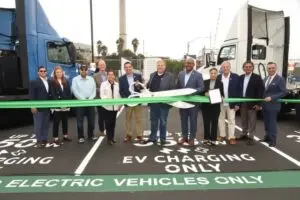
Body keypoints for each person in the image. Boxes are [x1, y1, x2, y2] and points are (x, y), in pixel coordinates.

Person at [143, 59, 176, 146]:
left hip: (164, 104)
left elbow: (172, 89)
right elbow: (149, 85)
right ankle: (152, 138)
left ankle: (162, 139)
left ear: (165, 66)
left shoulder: (170, 76)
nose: (160, 67)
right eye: (158, 65)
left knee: (163, 121)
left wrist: (169, 99)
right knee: (153, 121)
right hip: (153, 103)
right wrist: (142, 86)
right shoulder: (152, 75)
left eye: (162, 65)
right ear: (156, 66)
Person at [177, 58, 204, 146]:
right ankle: (184, 137)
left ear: (193, 65)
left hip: (193, 103)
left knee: (193, 121)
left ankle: (192, 138)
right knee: (183, 120)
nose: (188, 65)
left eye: (190, 63)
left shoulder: (198, 75)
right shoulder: (180, 74)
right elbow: (178, 87)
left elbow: (201, 88)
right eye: (186, 63)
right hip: (182, 102)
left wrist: (192, 91)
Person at [238, 61, 264, 145]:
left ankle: (251, 137)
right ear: (243, 68)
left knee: (252, 120)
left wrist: (258, 104)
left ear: (253, 68)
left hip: (252, 103)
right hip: (242, 101)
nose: (248, 68)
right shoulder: (241, 77)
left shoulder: (257, 78)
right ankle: (244, 134)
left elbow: (260, 91)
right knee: (243, 119)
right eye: (246, 67)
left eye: (249, 67)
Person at [119, 62, 144, 143]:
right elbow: (121, 91)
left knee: (138, 119)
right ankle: (128, 135)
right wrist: (126, 100)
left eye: (129, 67)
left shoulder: (138, 76)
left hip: (137, 100)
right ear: (124, 69)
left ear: (132, 67)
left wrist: (138, 86)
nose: (128, 68)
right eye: (126, 67)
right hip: (128, 101)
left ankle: (139, 135)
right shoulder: (121, 78)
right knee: (128, 119)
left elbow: (141, 88)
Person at [262, 62, 286, 147]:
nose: (271, 70)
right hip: (265, 105)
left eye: (272, 68)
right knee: (266, 122)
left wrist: (272, 97)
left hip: (273, 105)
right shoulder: (265, 79)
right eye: (269, 68)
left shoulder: (280, 79)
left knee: (272, 123)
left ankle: (272, 140)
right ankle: (267, 136)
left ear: (276, 68)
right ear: (267, 69)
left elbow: (283, 92)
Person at [72, 65, 97, 143]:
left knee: (92, 121)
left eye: (85, 70)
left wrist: (90, 99)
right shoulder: (75, 79)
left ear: (87, 71)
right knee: (80, 122)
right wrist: (83, 100)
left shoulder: (91, 79)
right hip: (80, 103)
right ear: (79, 71)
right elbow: (74, 91)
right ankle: (81, 136)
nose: (84, 71)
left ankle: (90, 135)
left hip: (90, 103)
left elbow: (94, 91)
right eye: (82, 70)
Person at [217, 61, 240, 145]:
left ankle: (231, 137)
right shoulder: (218, 77)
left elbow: (239, 91)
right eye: (224, 67)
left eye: (227, 67)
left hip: (232, 102)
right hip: (221, 102)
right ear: (221, 68)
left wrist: (238, 104)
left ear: (230, 67)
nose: (225, 68)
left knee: (231, 120)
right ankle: (222, 135)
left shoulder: (236, 77)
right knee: (221, 119)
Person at [29, 66, 52, 148]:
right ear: (38, 72)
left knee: (46, 124)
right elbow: (31, 95)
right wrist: (33, 106)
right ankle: (38, 141)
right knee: (38, 125)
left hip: (47, 107)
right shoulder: (34, 82)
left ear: (46, 72)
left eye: (44, 71)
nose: (43, 72)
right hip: (38, 108)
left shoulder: (49, 81)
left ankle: (44, 139)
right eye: (41, 71)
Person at [50, 66, 72, 146]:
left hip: (65, 105)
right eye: (57, 72)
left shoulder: (66, 81)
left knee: (65, 121)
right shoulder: (52, 82)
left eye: (60, 72)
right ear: (55, 74)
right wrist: (59, 104)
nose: (59, 73)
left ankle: (65, 136)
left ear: (62, 73)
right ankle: (55, 138)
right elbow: (53, 94)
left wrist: (67, 104)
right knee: (56, 122)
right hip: (57, 106)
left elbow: (69, 93)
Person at [201, 68, 224, 146]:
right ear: (209, 74)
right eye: (211, 73)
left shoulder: (220, 83)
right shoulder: (205, 82)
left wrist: (221, 97)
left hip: (215, 106)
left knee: (214, 123)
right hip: (206, 106)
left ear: (217, 74)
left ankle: (213, 139)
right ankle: (206, 138)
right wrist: (204, 93)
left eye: (215, 73)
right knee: (206, 122)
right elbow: (201, 93)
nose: (213, 75)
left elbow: (222, 94)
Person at [100, 70, 121, 145]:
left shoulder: (117, 84)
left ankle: (112, 137)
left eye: (112, 75)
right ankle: (109, 139)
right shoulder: (103, 84)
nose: (110, 76)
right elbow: (102, 95)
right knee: (108, 124)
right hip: (107, 107)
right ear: (107, 76)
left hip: (115, 107)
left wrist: (118, 105)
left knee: (113, 124)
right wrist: (109, 99)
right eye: (109, 75)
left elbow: (119, 96)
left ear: (114, 76)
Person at [93, 60, 107, 136]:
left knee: (108, 115)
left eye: (103, 64)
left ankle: (107, 129)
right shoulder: (95, 75)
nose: (102, 66)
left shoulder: (108, 74)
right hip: (99, 98)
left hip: (108, 99)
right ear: (98, 66)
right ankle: (102, 130)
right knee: (101, 116)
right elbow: (94, 88)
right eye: (100, 65)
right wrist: (103, 89)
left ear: (105, 66)